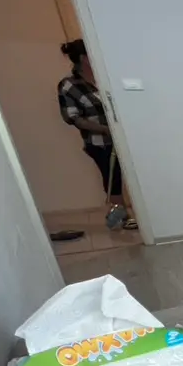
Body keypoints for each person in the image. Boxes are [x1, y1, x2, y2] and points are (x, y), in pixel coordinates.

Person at [57, 39, 136, 229]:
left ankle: (134, 214)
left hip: (125, 139)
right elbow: (73, 118)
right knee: (113, 177)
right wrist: (107, 130)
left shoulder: (105, 77)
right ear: (83, 57)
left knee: (133, 175)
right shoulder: (69, 85)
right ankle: (120, 218)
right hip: (100, 142)